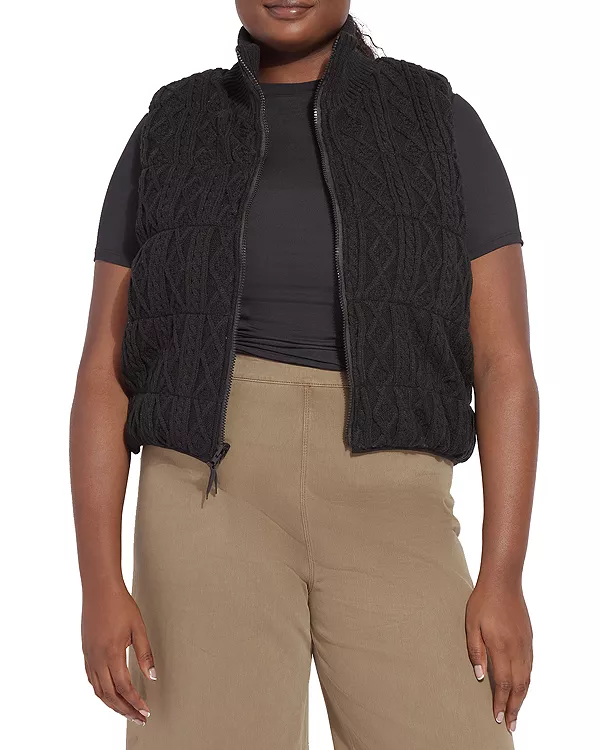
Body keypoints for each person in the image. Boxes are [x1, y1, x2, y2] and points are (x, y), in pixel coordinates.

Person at [70, 1, 538, 748]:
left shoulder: (437, 120)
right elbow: (104, 371)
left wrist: (503, 574)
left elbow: (504, 361)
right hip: (205, 497)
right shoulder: (172, 127)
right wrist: (99, 582)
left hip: (395, 496)